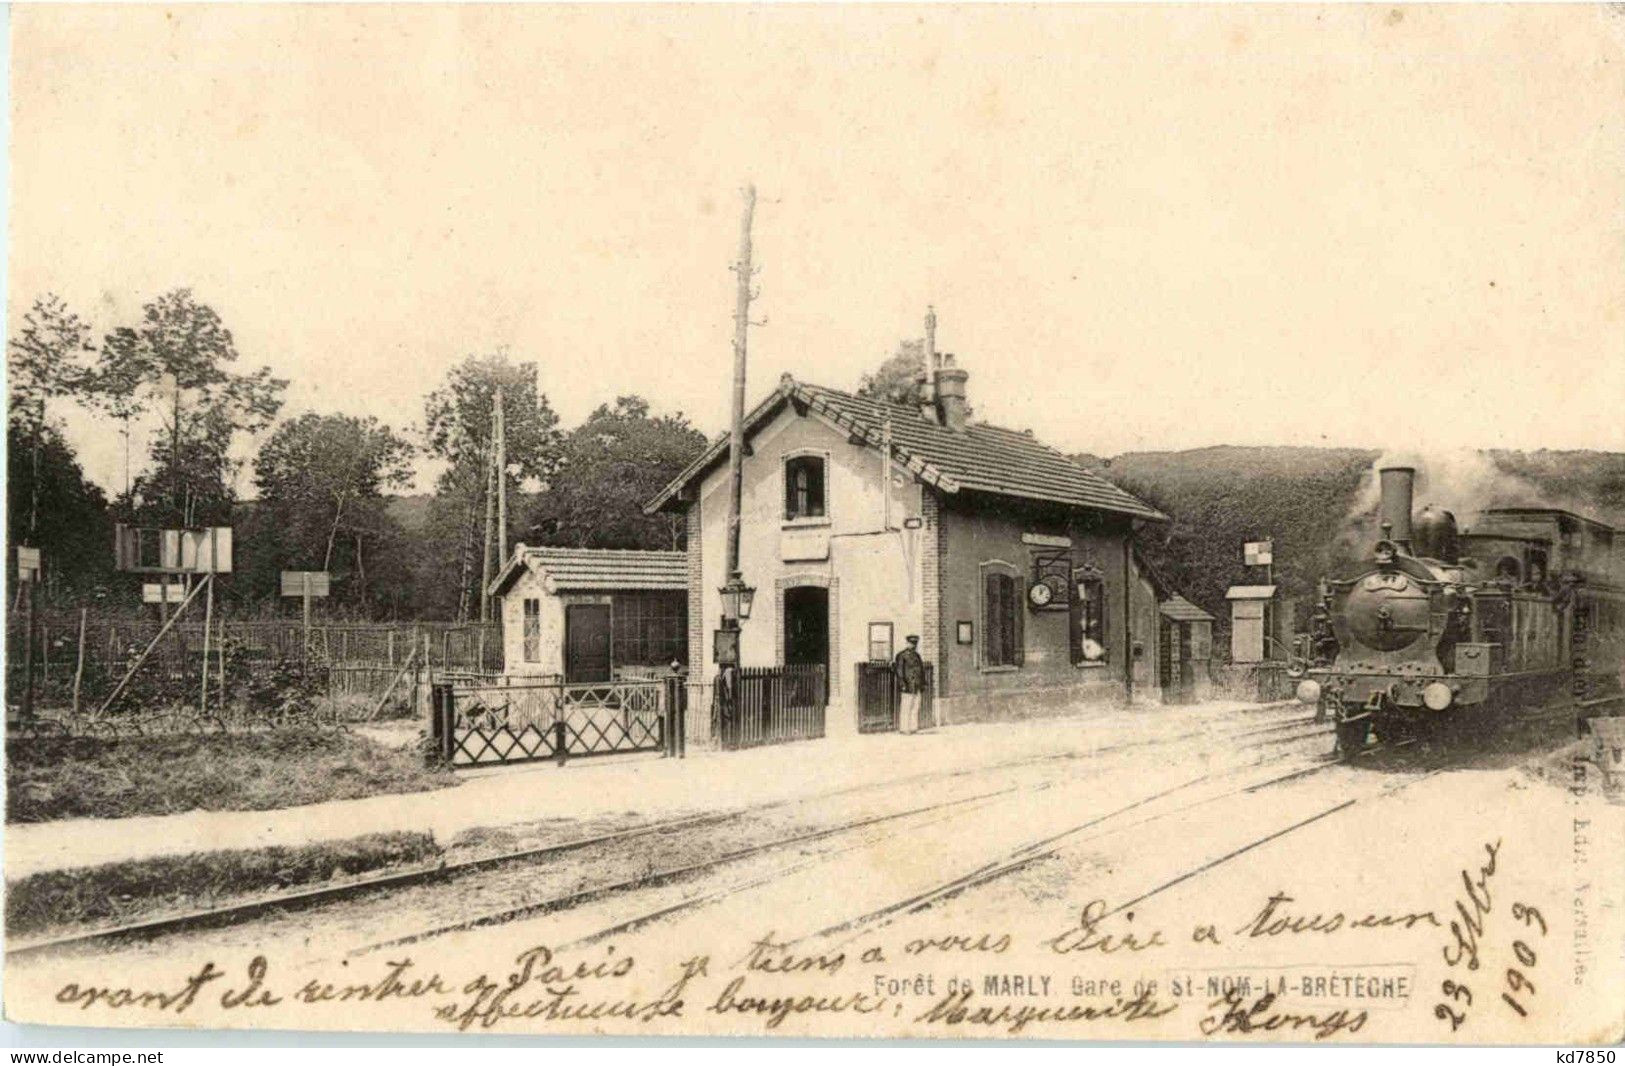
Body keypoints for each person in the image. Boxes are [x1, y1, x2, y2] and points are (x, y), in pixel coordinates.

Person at [894, 634, 925, 734]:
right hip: (907, 685)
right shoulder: (901, 655)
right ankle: (904, 728)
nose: (913, 645)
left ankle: (913, 727)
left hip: (916, 685)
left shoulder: (917, 656)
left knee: (915, 707)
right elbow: (899, 671)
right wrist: (902, 684)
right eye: (911, 643)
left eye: (915, 644)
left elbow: (921, 670)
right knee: (906, 707)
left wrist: (922, 683)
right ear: (907, 643)